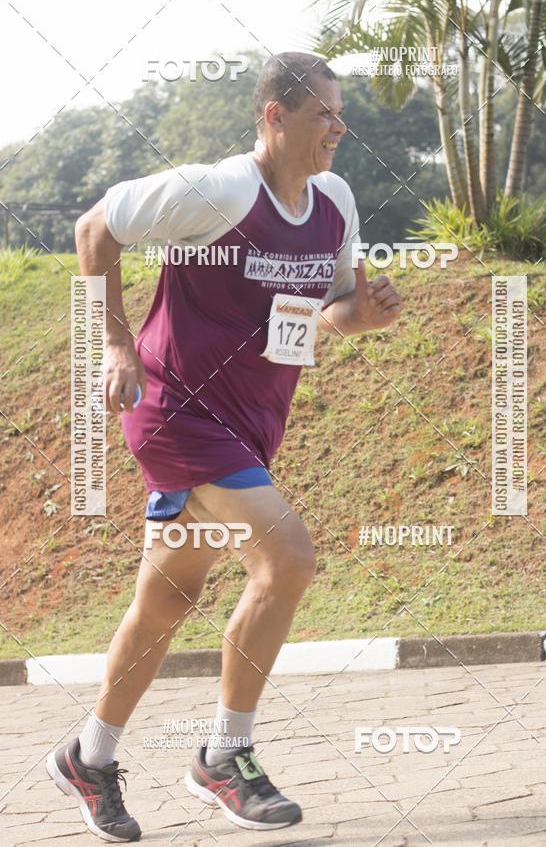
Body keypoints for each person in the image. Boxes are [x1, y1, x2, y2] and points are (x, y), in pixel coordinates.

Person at [46, 52, 401, 841]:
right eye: (324, 115)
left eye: (341, 115)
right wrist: (113, 342)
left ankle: (89, 756)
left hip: (248, 428)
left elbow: (331, 307)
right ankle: (223, 755)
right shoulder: (222, 189)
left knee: (167, 602)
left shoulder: (335, 201)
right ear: (275, 117)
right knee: (289, 558)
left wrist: (364, 317)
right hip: (175, 412)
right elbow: (93, 228)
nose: (340, 128)